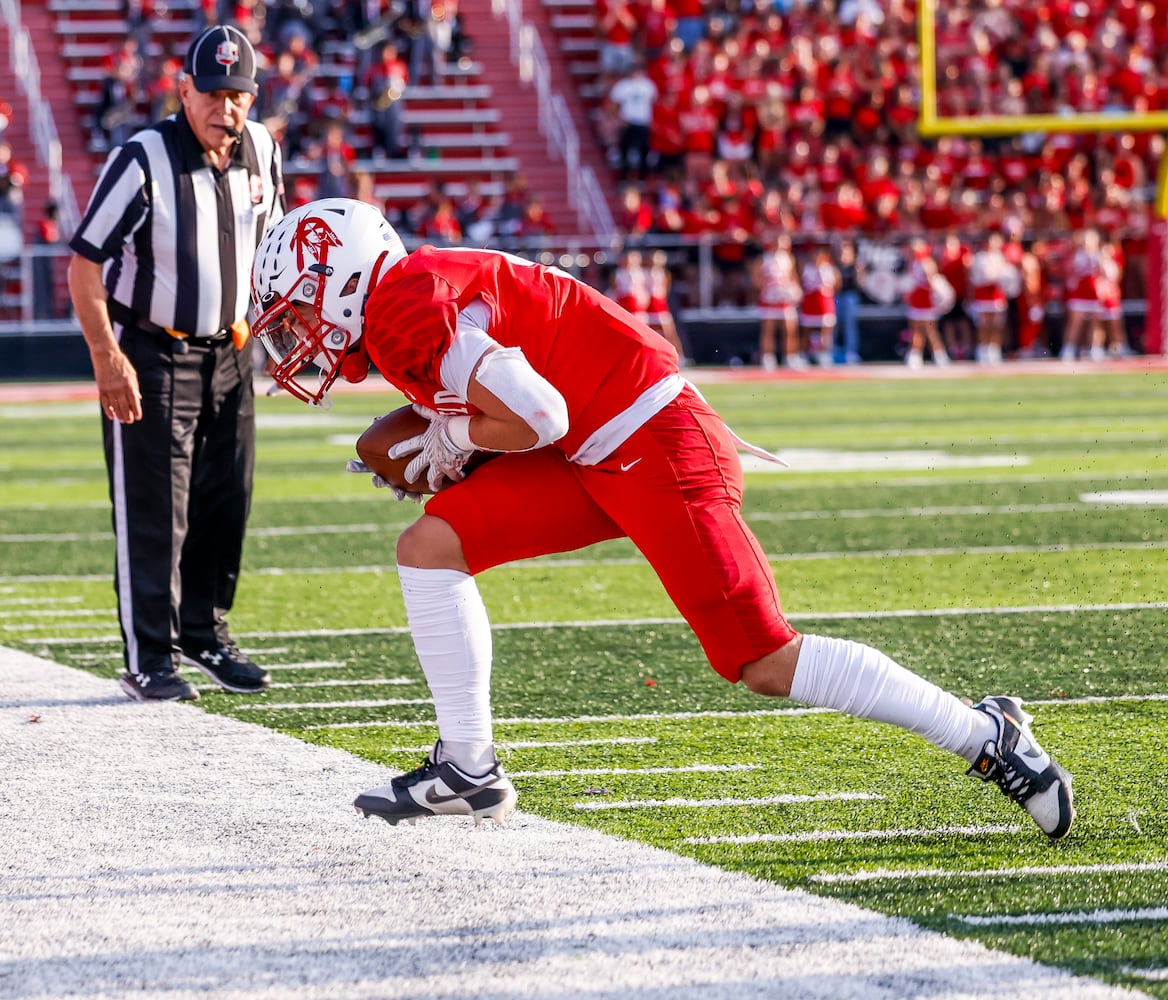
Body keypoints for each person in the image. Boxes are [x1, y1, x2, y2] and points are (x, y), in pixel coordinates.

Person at [250, 197, 1076, 841]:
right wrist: (453, 432)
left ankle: (985, 734)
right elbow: (544, 407)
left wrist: (450, 431)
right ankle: (467, 769)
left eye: (297, 309)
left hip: (655, 440)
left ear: (343, 280)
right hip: (596, 445)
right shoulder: (411, 294)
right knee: (432, 546)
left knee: (761, 659)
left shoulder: (402, 308)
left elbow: (534, 413)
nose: (297, 336)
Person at [67, 24, 285, 703]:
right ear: (183, 89)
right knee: (158, 508)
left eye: (239, 95)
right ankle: (148, 656)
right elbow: (83, 265)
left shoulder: (262, 149)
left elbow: (270, 244)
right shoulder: (143, 158)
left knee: (228, 501)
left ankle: (206, 633)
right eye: (213, 93)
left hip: (232, 348)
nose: (227, 109)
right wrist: (107, 358)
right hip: (152, 350)